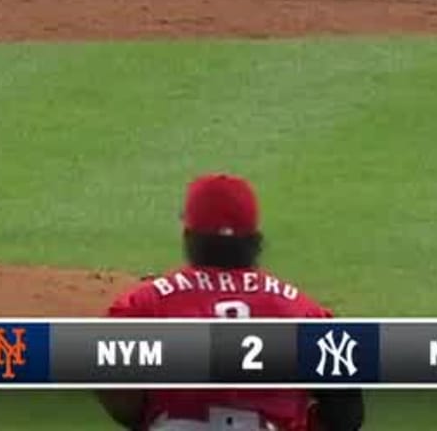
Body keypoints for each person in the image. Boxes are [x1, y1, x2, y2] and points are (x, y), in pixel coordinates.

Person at [97, 174, 366, 431]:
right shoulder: (303, 312)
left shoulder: (145, 305)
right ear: (254, 240)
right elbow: (346, 413)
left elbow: (114, 388)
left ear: (190, 236)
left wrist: (144, 418)